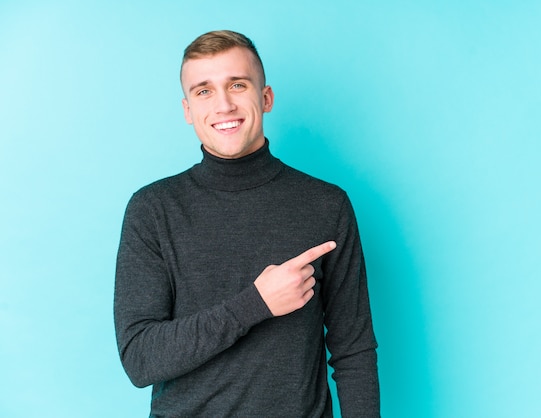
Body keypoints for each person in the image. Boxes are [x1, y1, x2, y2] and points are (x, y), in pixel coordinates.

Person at [114, 30, 380, 417]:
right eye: (204, 91)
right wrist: (255, 304)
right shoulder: (153, 209)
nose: (223, 104)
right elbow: (140, 360)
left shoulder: (326, 205)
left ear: (265, 98)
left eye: (237, 85)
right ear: (188, 110)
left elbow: (353, 350)